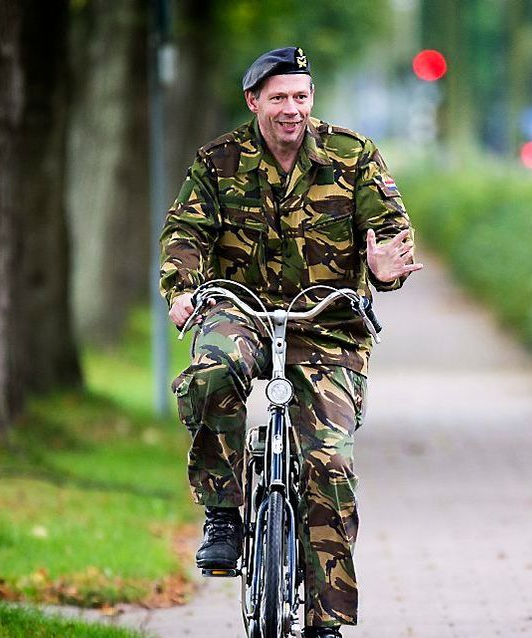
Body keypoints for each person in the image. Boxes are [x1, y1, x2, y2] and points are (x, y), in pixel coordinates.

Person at [159, 46, 421, 637]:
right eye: (278, 97)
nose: (291, 109)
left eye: (301, 96)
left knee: (328, 460)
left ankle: (325, 623)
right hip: (239, 311)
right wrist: (181, 288)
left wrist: (385, 267)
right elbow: (185, 233)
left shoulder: (353, 157)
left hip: (327, 323)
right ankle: (224, 511)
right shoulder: (218, 162)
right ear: (254, 101)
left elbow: (391, 231)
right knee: (211, 372)